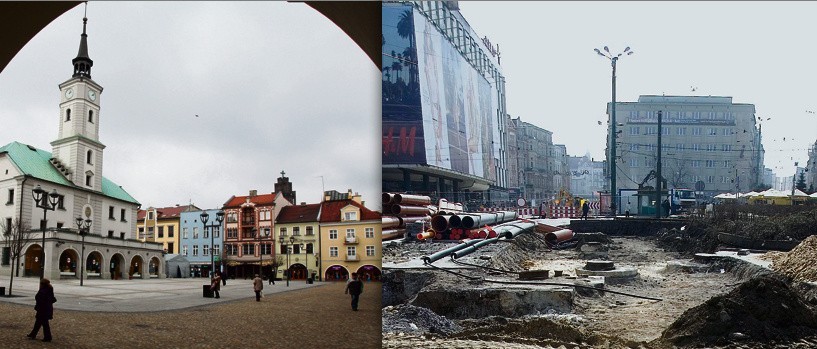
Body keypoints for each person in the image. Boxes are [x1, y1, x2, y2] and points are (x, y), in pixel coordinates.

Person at [28, 278, 56, 342]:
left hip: (43, 309)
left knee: (44, 323)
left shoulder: (43, 291)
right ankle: (33, 334)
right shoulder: (49, 289)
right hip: (45, 309)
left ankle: (48, 337)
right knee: (38, 322)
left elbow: (41, 299)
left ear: (43, 284)